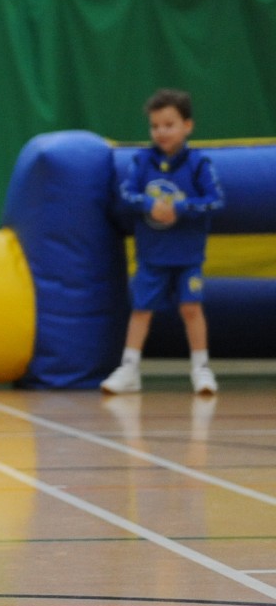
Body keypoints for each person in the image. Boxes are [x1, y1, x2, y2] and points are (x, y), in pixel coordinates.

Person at [101, 88, 224, 395]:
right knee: (141, 309)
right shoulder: (142, 162)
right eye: (155, 126)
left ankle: (201, 368)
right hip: (152, 257)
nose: (161, 132)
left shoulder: (198, 164)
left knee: (191, 308)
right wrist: (147, 204)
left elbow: (216, 200)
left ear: (187, 126)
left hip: (188, 257)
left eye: (169, 125)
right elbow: (126, 195)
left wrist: (180, 208)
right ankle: (129, 368)